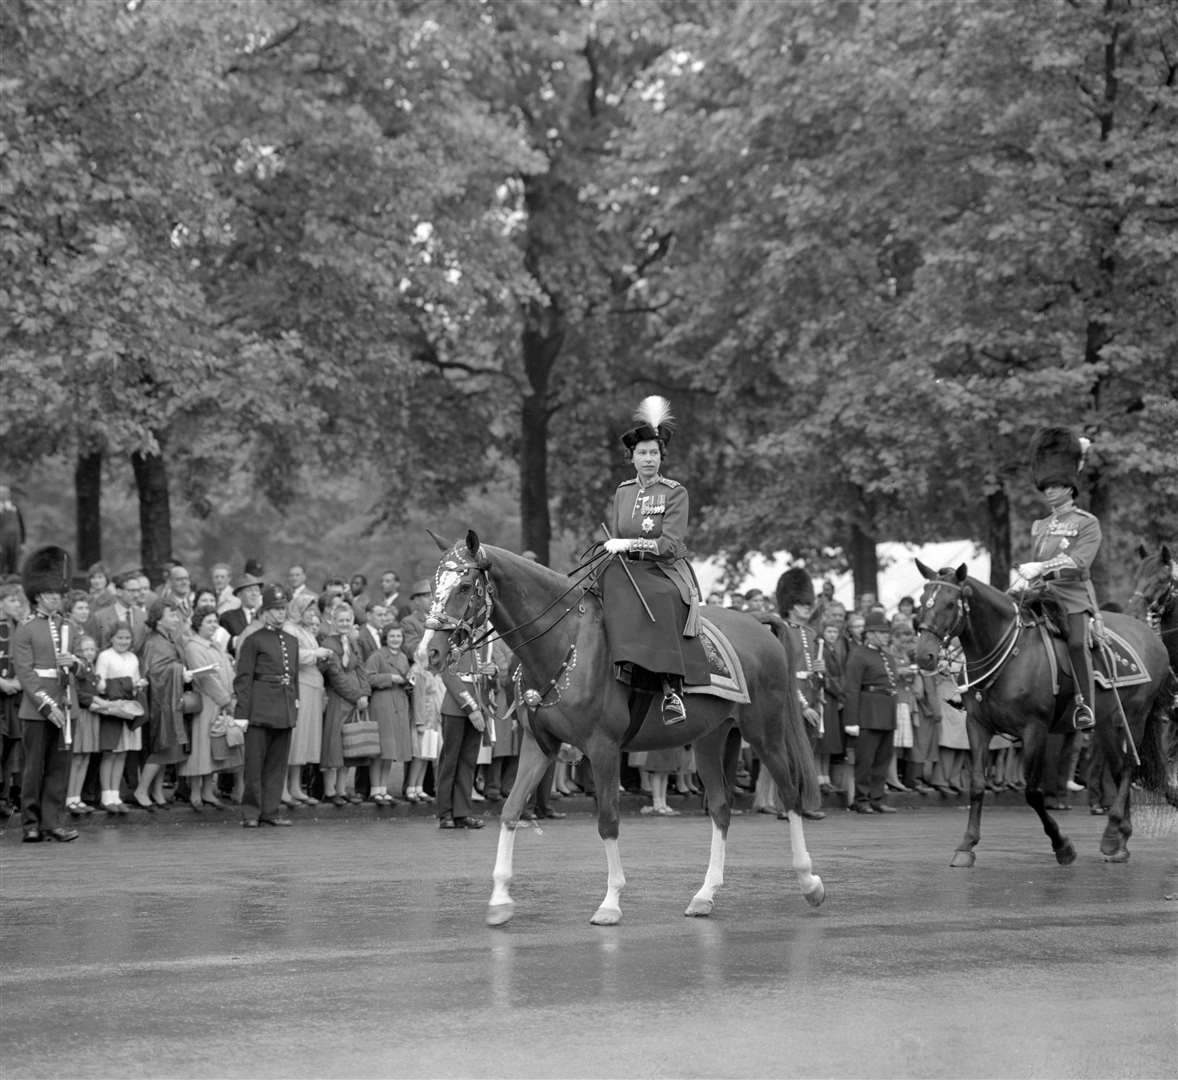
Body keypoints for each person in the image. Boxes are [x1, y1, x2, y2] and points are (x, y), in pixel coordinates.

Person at [601, 395, 708, 727]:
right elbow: (617, 533)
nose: (648, 459)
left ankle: (670, 687)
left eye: (654, 453)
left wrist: (629, 544)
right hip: (627, 566)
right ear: (631, 457)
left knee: (658, 597)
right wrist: (612, 548)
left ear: (662, 457)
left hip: (664, 569)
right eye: (642, 453)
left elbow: (669, 543)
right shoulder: (622, 492)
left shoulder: (675, 492)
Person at [1013, 427, 1102, 732]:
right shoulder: (1039, 525)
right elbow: (1033, 565)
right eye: (1046, 486)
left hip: (1073, 597)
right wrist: (1023, 582)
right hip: (1041, 594)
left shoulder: (1087, 523)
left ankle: (1084, 706)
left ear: (1070, 486)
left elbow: (1079, 563)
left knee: (1077, 644)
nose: (1049, 491)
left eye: (1056, 485)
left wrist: (1041, 567)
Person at [12, 546, 78, 842]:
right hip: (38, 708)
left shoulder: (69, 626)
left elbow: (86, 662)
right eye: (50, 594)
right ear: (37, 595)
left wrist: (75, 663)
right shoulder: (26, 630)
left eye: (58, 594)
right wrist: (48, 705)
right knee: (33, 768)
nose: (56, 598)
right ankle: (31, 823)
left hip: (66, 703)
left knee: (58, 768)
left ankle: (53, 821)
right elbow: (26, 674)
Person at [235, 584, 299, 828]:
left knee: (276, 764)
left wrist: (295, 705)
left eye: (283, 609)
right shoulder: (253, 640)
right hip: (259, 710)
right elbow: (244, 678)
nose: (280, 614)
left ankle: (270, 811)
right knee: (254, 765)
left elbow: (293, 677)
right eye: (275, 609)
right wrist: (241, 713)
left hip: (283, 708)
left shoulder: (291, 641)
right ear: (265, 611)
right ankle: (251, 812)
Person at [135, 599, 192, 809]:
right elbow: (154, 672)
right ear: (159, 619)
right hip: (160, 701)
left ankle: (157, 791)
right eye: (172, 615)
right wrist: (179, 671)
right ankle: (141, 789)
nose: (176, 619)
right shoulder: (152, 642)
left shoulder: (168, 638)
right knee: (161, 747)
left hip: (171, 699)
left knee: (169, 747)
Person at [843, 609, 899, 815]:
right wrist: (851, 720)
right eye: (883, 632)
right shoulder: (858, 654)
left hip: (886, 711)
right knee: (865, 760)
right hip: (867, 713)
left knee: (883, 759)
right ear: (871, 633)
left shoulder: (886, 655)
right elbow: (851, 688)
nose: (886, 636)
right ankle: (861, 799)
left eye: (887, 632)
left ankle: (877, 798)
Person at [434, 626, 490, 829]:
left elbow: (481, 674)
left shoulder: (482, 644)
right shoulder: (454, 641)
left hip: (477, 705)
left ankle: (462, 812)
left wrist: (492, 672)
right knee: (450, 761)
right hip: (456, 707)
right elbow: (448, 675)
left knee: (468, 762)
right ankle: (445, 812)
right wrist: (471, 708)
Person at [182, 607, 235, 810]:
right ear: (198, 624)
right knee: (201, 748)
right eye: (209, 622)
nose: (214, 625)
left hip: (219, 704)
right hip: (205, 703)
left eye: (215, 621)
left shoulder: (217, 645)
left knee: (214, 748)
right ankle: (195, 792)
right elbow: (205, 679)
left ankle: (207, 791)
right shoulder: (194, 647)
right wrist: (225, 700)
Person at [283, 596, 329, 805]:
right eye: (308, 609)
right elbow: (292, 655)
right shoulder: (289, 629)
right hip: (300, 685)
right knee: (295, 739)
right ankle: (283, 788)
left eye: (313, 609)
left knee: (305, 739)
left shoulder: (305, 630)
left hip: (313, 687)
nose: (312, 613)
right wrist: (315, 653)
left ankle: (295, 786)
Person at [365, 623, 412, 803]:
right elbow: (368, 677)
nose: (395, 639)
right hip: (382, 703)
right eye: (392, 636)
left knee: (390, 751)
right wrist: (390, 678)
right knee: (380, 749)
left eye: (398, 636)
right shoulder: (377, 656)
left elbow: (407, 678)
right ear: (386, 637)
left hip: (399, 703)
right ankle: (375, 789)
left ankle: (383, 788)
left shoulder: (403, 657)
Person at [0, 582, 25, 818]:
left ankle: (5, 797)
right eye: (13, 600)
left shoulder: (20, 627)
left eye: (19, 601)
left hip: (15, 696)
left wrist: (18, 682)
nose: (18, 605)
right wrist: (2, 683)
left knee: (11, 748)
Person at [220, 572, 264, 655]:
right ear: (239, 595)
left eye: (256, 590)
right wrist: (238, 641)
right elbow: (223, 644)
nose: (254, 594)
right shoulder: (228, 617)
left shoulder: (266, 616)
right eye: (249, 590)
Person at [0, 483, 25, 577]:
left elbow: (22, 526)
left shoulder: (14, 507)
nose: (4, 495)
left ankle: (12, 585)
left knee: (13, 565)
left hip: (15, 541)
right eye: (1, 493)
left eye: (6, 493)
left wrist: (23, 542)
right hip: (2, 541)